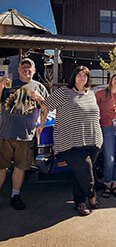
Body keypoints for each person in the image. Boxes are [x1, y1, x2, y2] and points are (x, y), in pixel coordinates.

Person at [36, 66, 103, 216]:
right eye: (79, 75)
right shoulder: (64, 92)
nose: (82, 78)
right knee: (85, 168)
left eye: (85, 75)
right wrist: (41, 124)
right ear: (74, 77)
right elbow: (45, 105)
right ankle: (91, 194)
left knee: (80, 172)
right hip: (70, 141)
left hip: (93, 141)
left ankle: (79, 202)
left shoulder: (91, 94)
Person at [0, 58, 48, 210]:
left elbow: (47, 107)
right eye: (23, 67)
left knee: (20, 167)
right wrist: (0, 86)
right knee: (1, 167)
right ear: (18, 69)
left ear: (34, 71)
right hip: (5, 133)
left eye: (29, 68)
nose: (26, 70)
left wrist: (41, 122)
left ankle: (15, 195)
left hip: (26, 135)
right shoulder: (8, 84)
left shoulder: (39, 87)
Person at [95, 72, 116, 198]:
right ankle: (107, 184)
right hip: (107, 128)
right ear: (111, 80)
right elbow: (92, 107)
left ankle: (115, 184)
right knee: (109, 159)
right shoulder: (101, 93)